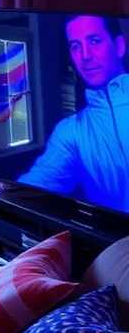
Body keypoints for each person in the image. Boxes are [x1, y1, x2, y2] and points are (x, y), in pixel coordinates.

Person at [17, 14, 129, 209]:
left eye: (94, 41)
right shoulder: (70, 131)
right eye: (75, 46)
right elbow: (38, 183)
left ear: (119, 46)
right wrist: (3, 187)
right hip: (109, 239)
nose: (85, 55)